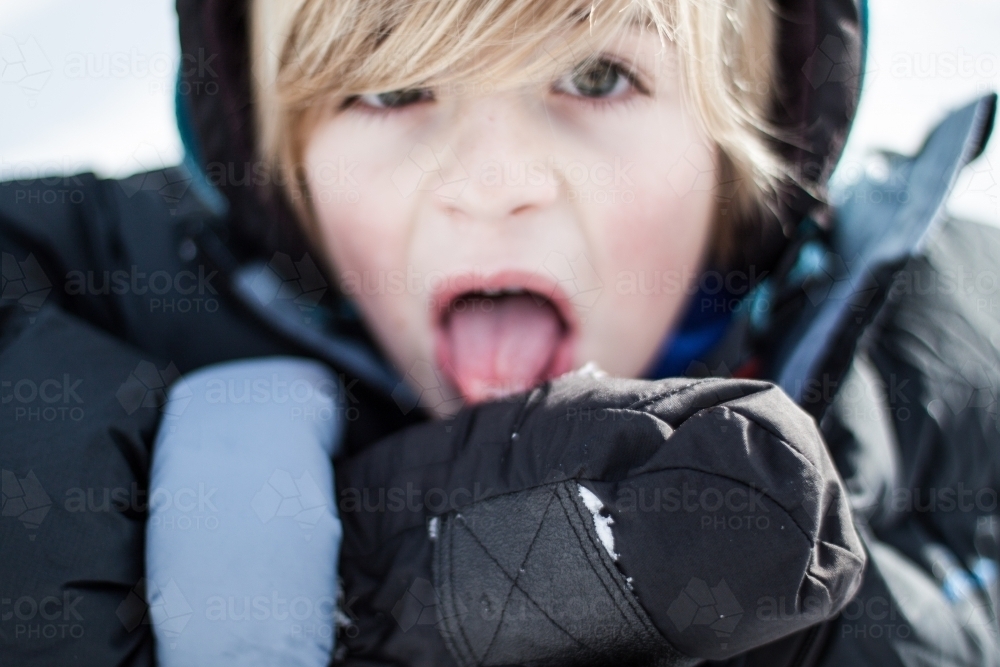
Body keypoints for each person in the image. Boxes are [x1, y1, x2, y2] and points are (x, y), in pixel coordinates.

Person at [0, 1, 996, 667]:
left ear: (751, 127)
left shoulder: (956, 349)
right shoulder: (113, 286)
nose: (492, 181)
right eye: (390, 90)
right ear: (281, 160)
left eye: (599, 76)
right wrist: (343, 568)